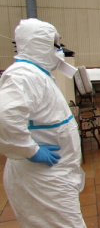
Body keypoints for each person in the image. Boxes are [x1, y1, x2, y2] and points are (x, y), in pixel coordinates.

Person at [0, 18, 86, 227]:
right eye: (55, 44)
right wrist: (30, 150)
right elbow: (4, 115)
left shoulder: (38, 74)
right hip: (41, 177)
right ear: (40, 43)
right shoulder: (22, 75)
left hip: (53, 173)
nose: (59, 49)